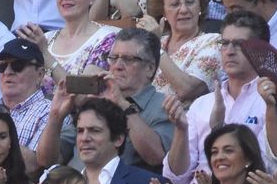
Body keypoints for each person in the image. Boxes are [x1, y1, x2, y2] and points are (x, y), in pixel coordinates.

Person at [161, 12, 277, 184]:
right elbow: (177, 176)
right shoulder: (202, 104)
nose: (229, 51)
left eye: (239, 44)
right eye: (225, 43)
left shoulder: (272, 101)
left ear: (262, 50)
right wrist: (181, 129)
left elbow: (272, 167)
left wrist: (218, 129)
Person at [37, 28, 175, 176]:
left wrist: (122, 104)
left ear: (150, 68)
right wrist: (55, 118)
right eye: (113, 58)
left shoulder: (163, 105)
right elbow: (47, 161)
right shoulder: (96, 100)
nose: (117, 66)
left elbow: (156, 157)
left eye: (128, 59)